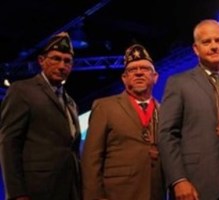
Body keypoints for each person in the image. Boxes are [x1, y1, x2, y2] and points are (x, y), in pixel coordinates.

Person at [158, 19, 219, 200]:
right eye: (206, 42)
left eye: (218, 41)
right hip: (195, 185)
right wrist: (178, 179)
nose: (214, 46)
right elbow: (167, 134)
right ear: (196, 49)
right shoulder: (179, 83)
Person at [0, 32, 82, 199]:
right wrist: (17, 193)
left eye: (67, 61)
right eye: (56, 58)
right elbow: (9, 143)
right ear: (41, 61)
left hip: (70, 190)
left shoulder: (71, 102)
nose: (62, 65)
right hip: (36, 190)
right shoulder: (22, 90)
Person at [81, 44, 165, 200]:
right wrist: (94, 196)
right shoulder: (105, 107)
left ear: (155, 77)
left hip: (155, 193)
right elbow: (91, 158)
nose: (139, 73)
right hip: (116, 194)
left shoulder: (165, 111)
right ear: (124, 78)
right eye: (132, 70)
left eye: (145, 69)